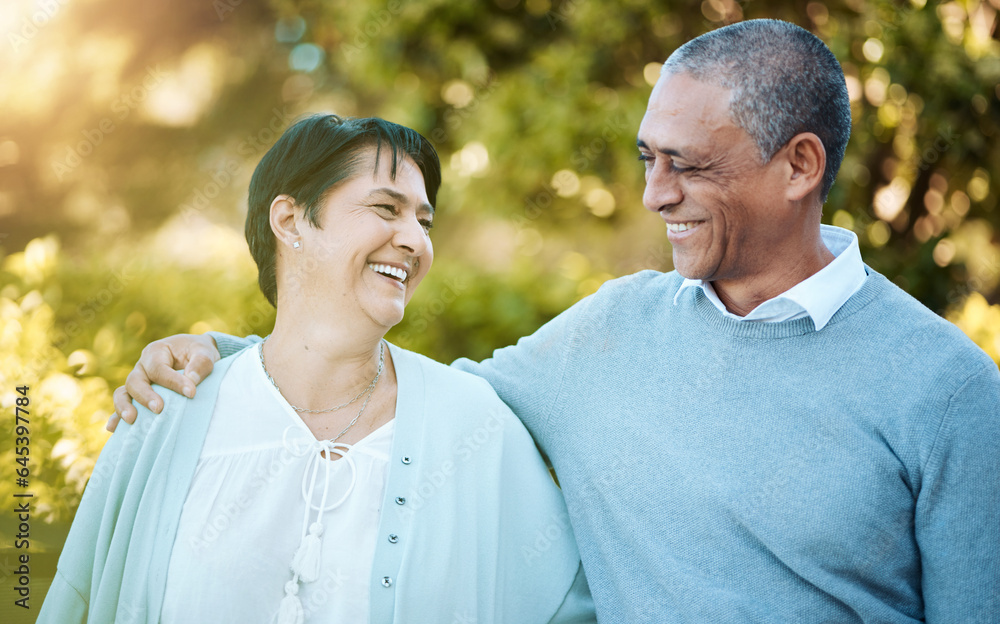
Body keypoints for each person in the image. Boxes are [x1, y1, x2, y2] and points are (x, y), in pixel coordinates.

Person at [111, 19, 1000, 623]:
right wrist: (230, 360)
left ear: (799, 165)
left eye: (686, 166)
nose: (656, 196)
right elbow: (418, 402)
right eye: (649, 160)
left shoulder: (947, 389)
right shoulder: (610, 331)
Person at [40, 115, 595, 623]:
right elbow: (78, 600)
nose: (415, 241)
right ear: (290, 220)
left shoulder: (475, 426)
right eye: (386, 208)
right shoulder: (168, 410)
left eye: (424, 221)